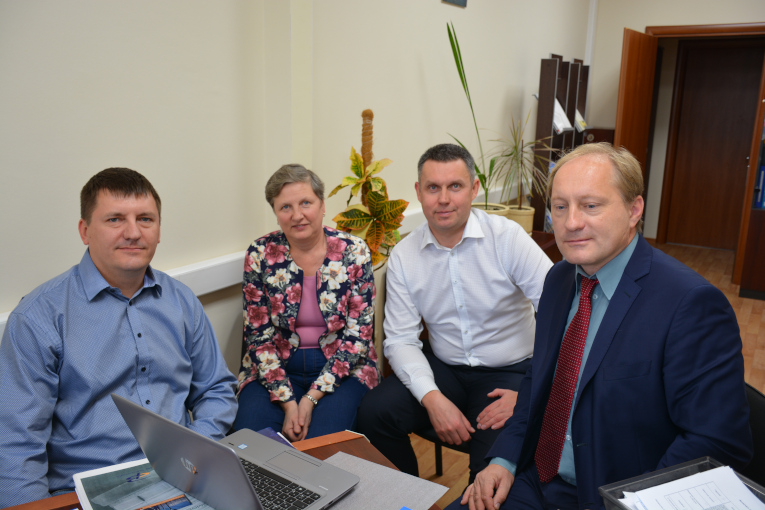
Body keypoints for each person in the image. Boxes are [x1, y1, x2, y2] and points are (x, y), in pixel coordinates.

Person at [451, 142, 753, 510]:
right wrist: (505, 459)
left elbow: (717, 440)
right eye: (560, 207)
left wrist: (632, 505)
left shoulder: (690, 304)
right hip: (535, 478)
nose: (571, 222)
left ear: (634, 209)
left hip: (614, 497)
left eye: (591, 206)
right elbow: (538, 382)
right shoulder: (560, 278)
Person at [0, 168, 238, 507]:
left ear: (158, 231)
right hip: (91, 494)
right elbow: (15, 444)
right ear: (85, 231)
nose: (133, 232)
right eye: (114, 219)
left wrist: (196, 450)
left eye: (145, 219)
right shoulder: (39, 318)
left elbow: (216, 389)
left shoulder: (182, 301)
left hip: (185, 482)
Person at [357, 143, 553, 481]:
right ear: (419, 192)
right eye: (433, 187)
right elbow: (401, 340)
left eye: (455, 186)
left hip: (511, 372)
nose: (443, 199)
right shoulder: (405, 255)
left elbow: (561, 315)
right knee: (374, 415)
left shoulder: (508, 239)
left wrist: (529, 392)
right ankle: (411, 503)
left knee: (489, 471)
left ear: (474, 189)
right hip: (446, 368)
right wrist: (432, 398)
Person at [234, 164, 380, 442]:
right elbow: (258, 336)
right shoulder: (260, 253)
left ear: (323, 205)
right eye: (285, 207)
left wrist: (310, 399)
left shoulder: (354, 251)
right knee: (253, 444)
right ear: (276, 213)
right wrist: (288, 402)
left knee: (320, 447)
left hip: (344, 367)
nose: (297, 215)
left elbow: (358, 338)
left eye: (306, 203)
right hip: (274, 367)